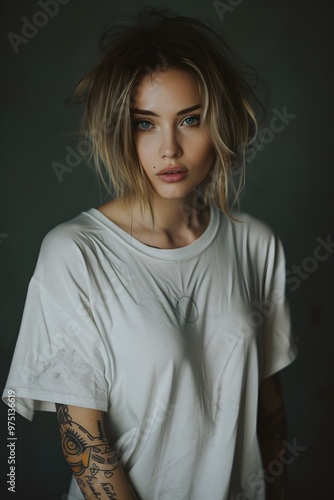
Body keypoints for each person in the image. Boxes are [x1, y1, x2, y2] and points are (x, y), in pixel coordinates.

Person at [2, 8, 297, 500]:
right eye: (145, 124)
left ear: (219, 120)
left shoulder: (255, 243)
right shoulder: (76, 253)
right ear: (121, 130)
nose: (170, 149)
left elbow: (269, 413)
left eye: (190, 119)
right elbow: (85, 444)